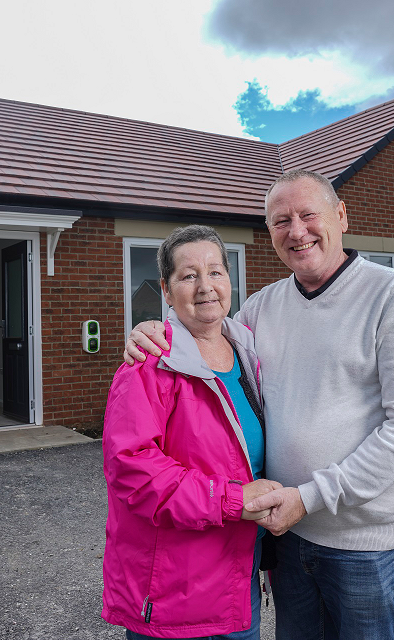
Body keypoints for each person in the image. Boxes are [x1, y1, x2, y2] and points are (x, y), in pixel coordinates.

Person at [124, 169, 394, 640]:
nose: (296, 231)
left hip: (361, 548)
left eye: (308, 214)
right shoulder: (261, 308)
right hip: (284, 536)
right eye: (280, 221)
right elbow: (204, 330)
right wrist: (152, 330)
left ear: (341, 215)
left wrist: (308, 498)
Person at [102, 225, 281, 639]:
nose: (206, 287)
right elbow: (133, 470)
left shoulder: (247, 352)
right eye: (188, 276)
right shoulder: (149, 363)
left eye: (216, 272)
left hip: (240, 582)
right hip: (175, 593)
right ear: (166, 291)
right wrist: (233, 499)